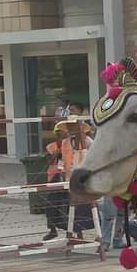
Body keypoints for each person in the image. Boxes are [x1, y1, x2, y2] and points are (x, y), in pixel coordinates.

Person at [44, 102, 93, 240]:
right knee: (67, 209)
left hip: (82, 181)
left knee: (81, 210)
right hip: (67, 180)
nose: (72, 129)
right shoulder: (65, 143)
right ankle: (71, 236)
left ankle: (82, 236)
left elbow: (95, 155)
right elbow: (58, 159)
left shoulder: (88, 141)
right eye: (69, 126)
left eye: (74, 126)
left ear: (79, 127)